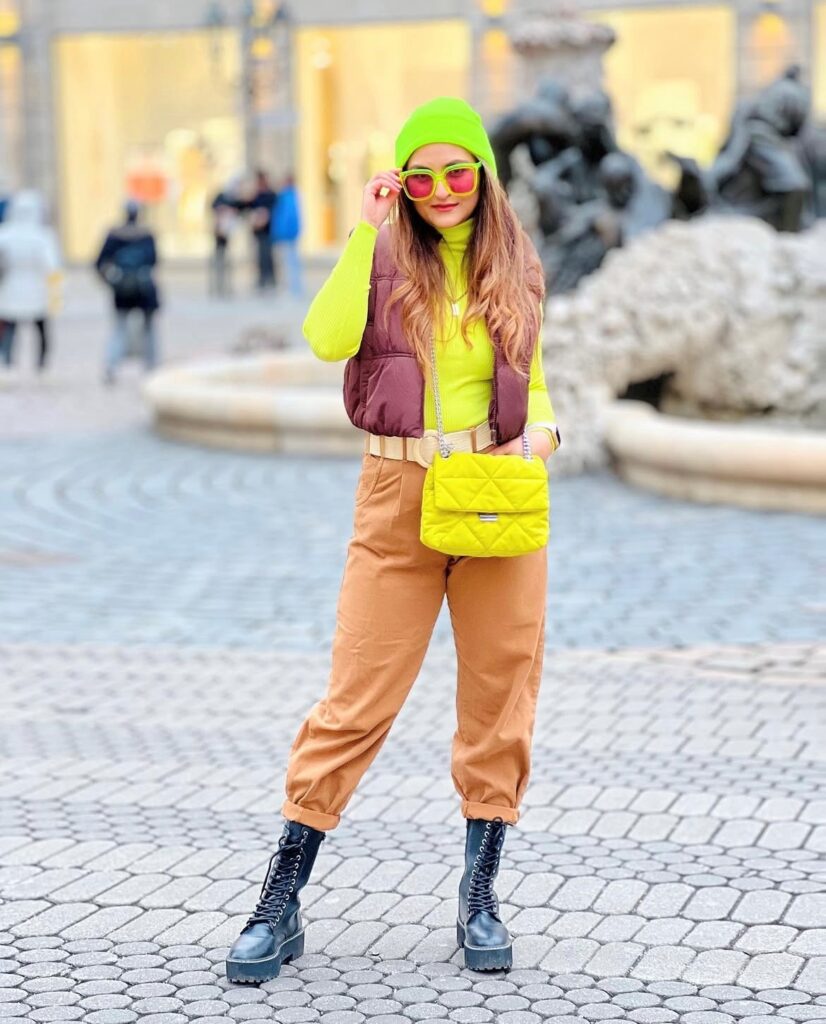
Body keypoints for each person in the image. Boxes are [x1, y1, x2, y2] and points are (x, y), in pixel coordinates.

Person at [225, 97, 561, 985]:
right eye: (424, 175)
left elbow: (540, 380)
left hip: (495, 494)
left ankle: (479, 895)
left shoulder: (516, 264)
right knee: (356, 697)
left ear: (483, 176)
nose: (443, 190)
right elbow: (327, 336)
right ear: (402, 182)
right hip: (396, 492)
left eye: (460, 172)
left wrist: (545, 437)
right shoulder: (384, 253)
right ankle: (279, 899)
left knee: (500, 697)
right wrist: (364, 231)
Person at [94, 200, 160, 385]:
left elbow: (99, 262)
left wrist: (111, 280)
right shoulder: (146, 235)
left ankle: (111, 366)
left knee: (119, 329)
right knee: (148, 330)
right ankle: (152, 366)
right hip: (143, 288)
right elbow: (155, 260)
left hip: (122, 289)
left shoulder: (114, 235)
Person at [0, 190, 60, 373]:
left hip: (10, 287)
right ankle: (40, 361)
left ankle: (7, 360)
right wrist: (56, 292)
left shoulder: (5, 234)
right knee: (40, 327)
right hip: (36, 287)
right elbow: (52, 265)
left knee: (10, 327)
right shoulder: (43, 236)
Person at [271, 173, 303, 298]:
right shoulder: (293, 195)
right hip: (289, 234)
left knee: (288, 263)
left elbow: (285, 218)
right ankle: (294, 287)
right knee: (291, 262)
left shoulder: (287, 196)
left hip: (286, 235)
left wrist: (280, 233)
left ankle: (293, 288)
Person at [210, 180, 241, 297]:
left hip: (228, 236)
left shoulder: (234, 200)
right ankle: (218, 285)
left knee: (228, 262)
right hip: (218, 236)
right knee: (218, 261)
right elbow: (213, 207)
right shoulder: (221, 198)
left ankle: (227, 286)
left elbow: (240, 210)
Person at [250, 169, 277, 290]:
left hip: (268, 230)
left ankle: (270, 278)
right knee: (260, 256)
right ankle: (262, 278)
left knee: (268, 255)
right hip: (258, 231)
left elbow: (274, 208)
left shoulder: (270, 194)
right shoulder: (256, 195)